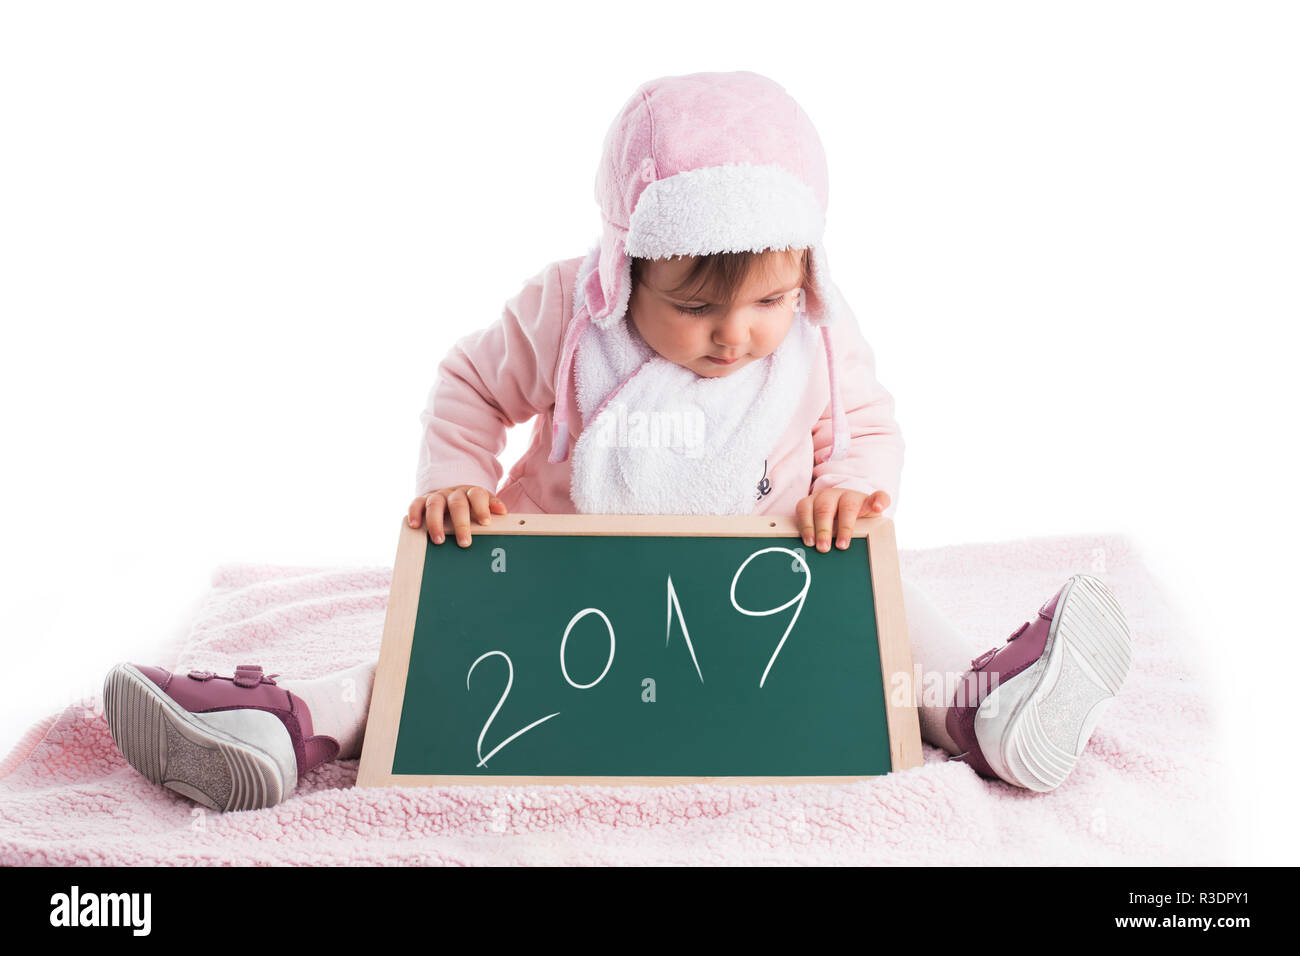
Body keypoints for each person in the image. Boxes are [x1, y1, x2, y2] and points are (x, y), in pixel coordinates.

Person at [102, 71, 1132, 812]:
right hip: (570, 594)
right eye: (695, 308)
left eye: (772, 300)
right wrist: (459, 484)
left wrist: (850, 492)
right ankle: (284, 727)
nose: (738, 335)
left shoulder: (819, 329)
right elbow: (467, 383)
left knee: (890, 605)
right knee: (429, 657)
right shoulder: (566, 312)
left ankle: (983, 706)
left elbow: (866, 427)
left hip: (761, 595)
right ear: (627, 266)